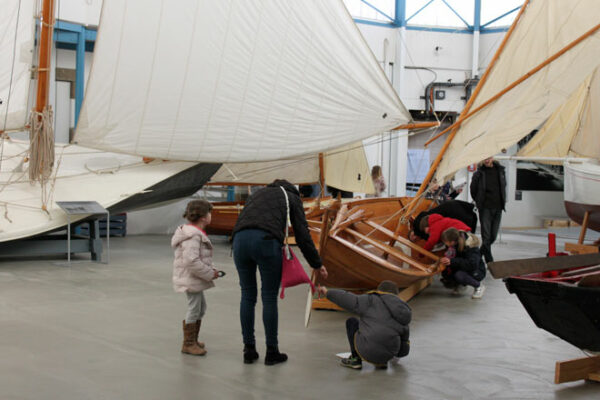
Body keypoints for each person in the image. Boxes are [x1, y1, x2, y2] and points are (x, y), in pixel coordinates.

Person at [232, 179, 328, 365]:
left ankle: (249, 350)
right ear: (294, 190)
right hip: (266, 241)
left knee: (247, 295)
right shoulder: (290, 196)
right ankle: (272, 351)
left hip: (239, 241)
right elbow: (302, 234)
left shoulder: (257, 194)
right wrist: (316, 263)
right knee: (268, 297)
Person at [318, 281, 411, 370]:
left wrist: (327, 292)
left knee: (352, 322)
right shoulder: (402, 311)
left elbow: (346, 299)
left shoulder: (371, 300)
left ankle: (355, 359)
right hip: (387, 356)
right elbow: (403, 350)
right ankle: (381, 362)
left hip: (368, 351)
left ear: (379, 291)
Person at [171, 199, 220, 356]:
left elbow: (198, 258)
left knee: (200, 308)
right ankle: (188, 344)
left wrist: (210, 270)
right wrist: (209, 274)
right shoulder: (193, 236)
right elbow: (191, 260)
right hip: (190, 278)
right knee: (194, 308)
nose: (211, 215)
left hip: (194, 277)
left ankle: (193, 339)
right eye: (209, 213)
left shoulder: (193, 233)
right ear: (203, 217)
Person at [470, 157, 507, 263]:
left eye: (488, 158)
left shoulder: (500, 171)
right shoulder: (479, 173)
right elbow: (473, 190)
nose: (486, 161)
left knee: (493, 236)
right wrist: (479, 201)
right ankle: (489, 261)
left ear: (492, 158)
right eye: (484, 159)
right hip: (485, 208)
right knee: (486, 237)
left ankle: (478, 255)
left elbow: (504, 186)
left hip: (498, 207)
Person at [440, 228, 486, 299]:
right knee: (446, 272)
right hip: (464, 267)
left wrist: (452, 261)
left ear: (452, 242)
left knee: (459, 275)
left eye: (445, 242)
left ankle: (478, 286)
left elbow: (472, 264)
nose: (445, 244)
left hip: (477, 270)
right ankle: (461, 284)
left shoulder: (470, 246)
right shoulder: (454, 246)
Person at [411, 199, 477, 242]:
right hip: (454, 208)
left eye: (413, 237)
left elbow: (434, 239)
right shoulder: (420, 220)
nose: (414, 238)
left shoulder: (420, 226)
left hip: (455, 214)